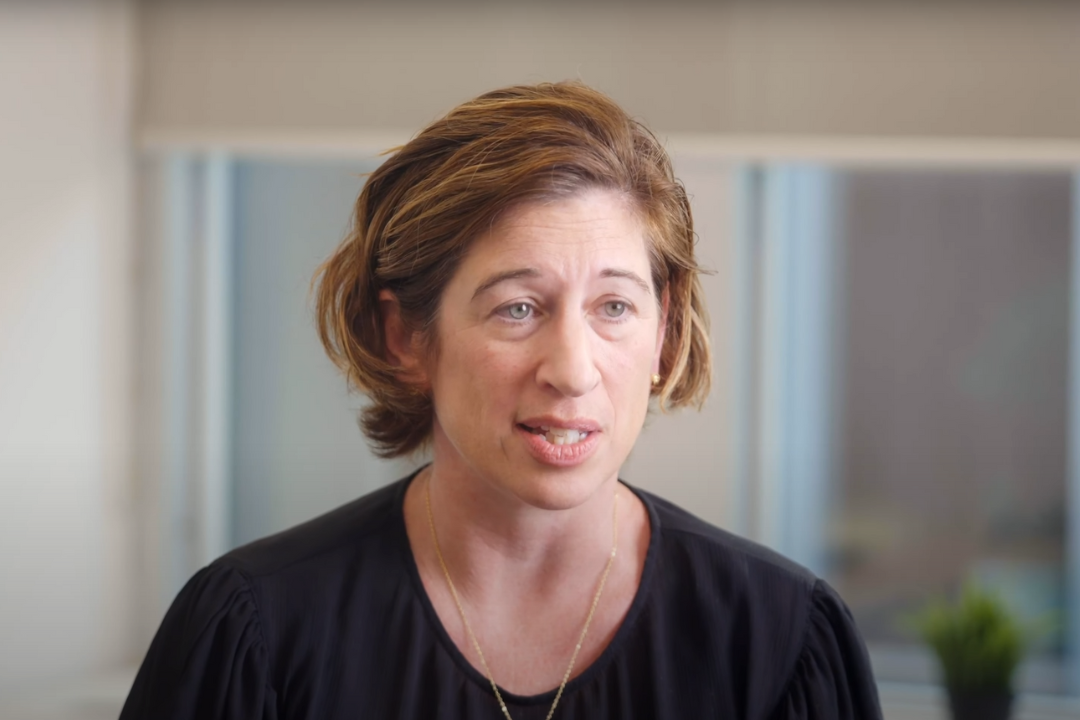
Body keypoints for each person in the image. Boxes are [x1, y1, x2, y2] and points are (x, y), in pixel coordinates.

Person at [120, 81, 883, 719]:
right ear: (406, 336)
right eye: (518, 308)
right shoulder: (255, 633)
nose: (573, 371)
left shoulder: (780, 639)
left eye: (614, 307)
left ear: (665, 332)